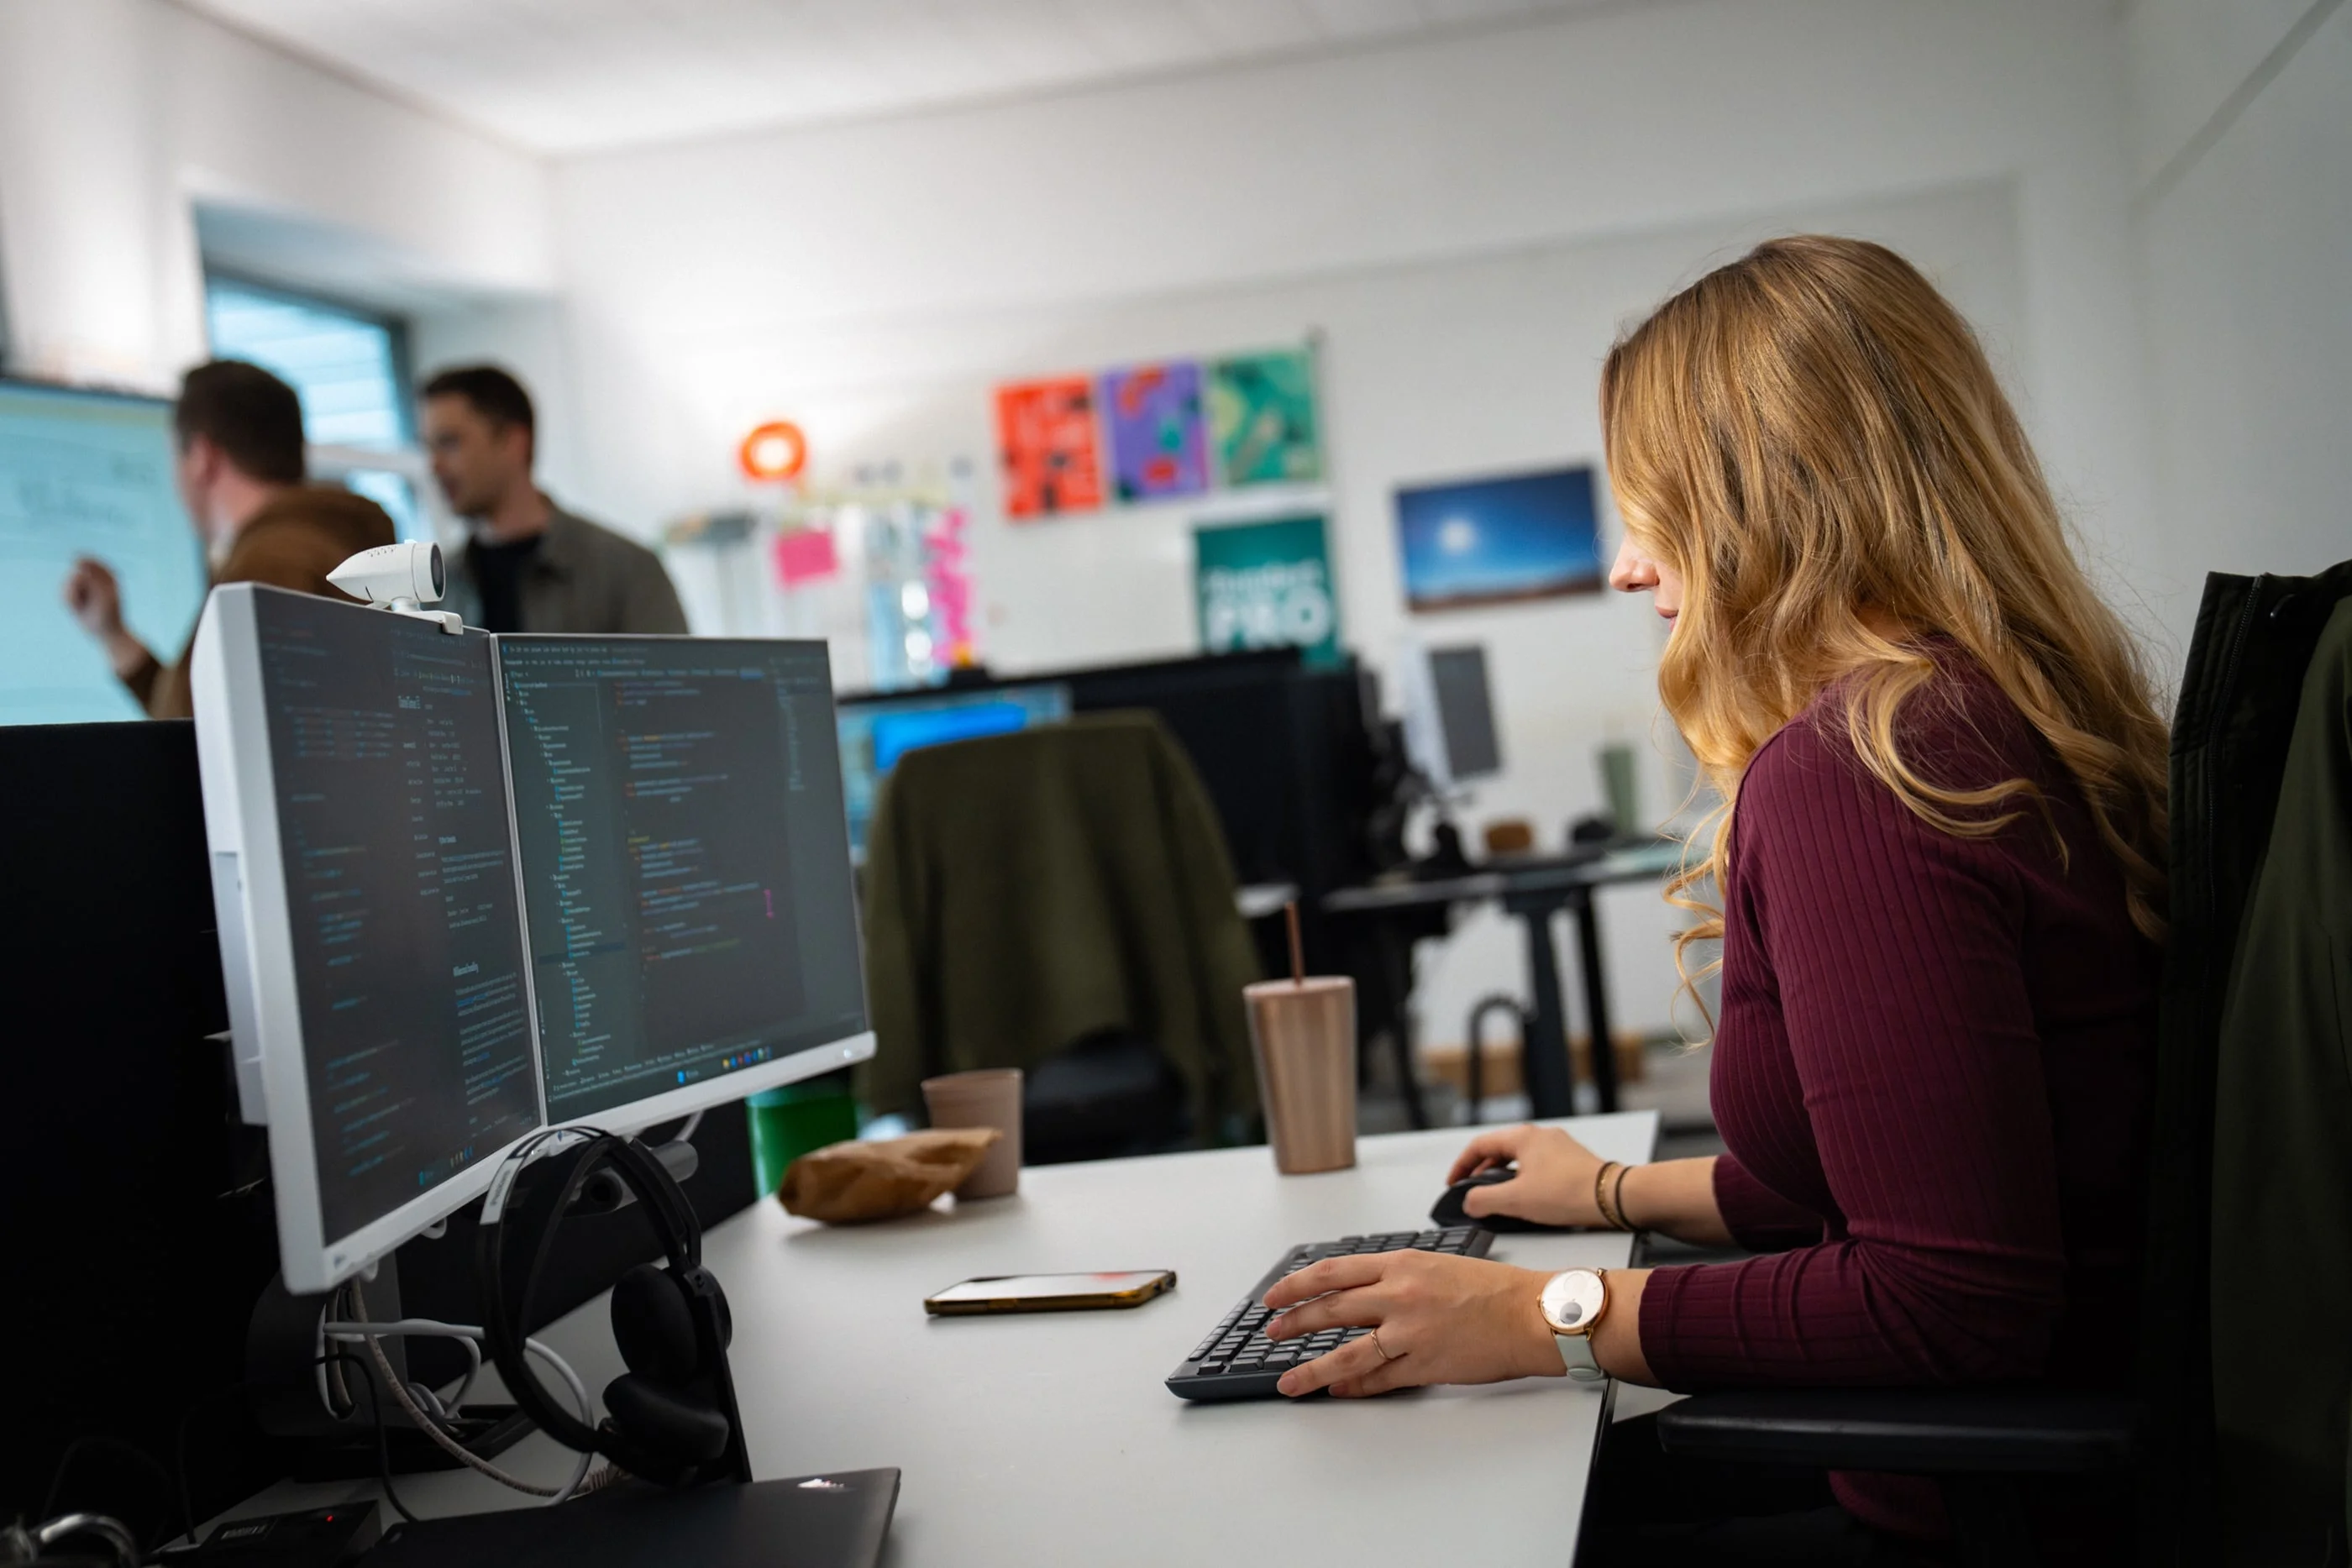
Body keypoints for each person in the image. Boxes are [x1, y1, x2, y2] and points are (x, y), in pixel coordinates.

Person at [1257, 238, 2168, 1561]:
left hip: (1954, 1509)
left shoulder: (1865, 773)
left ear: (1768, 502)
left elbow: (1947, 1296)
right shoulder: (1998, 712)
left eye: (1651, 508)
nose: (1629, 568)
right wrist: (1619, 1190)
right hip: (2004, 1462)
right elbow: (1892, 1171)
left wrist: (1535, 1317)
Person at [63, 359, 397, 720]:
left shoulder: (268, 568)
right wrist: (112, 634)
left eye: (175, 455)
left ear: (202, 458)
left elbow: (199, 740)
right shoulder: (330, 545)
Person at [419, 364, 686, 635]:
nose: (434, 465)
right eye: (429, 447)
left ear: (514, 442)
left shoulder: (626, 572)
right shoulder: (436, 589)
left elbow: (673, 677)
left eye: (449, 443)